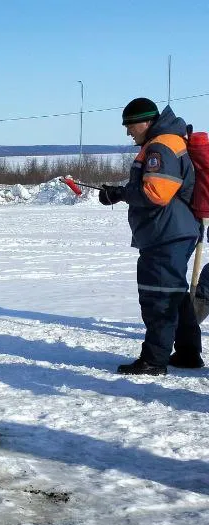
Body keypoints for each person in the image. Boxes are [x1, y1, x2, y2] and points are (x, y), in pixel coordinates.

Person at [98, 98, 202, 374]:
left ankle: (154, 360)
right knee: (175, 294)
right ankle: (188, 353)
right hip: (173, 231)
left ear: (146, 122)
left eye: (130, 125)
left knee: (158, 296)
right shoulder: (166, 141)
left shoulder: (161, 145)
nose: (128, 132)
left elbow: (156, 193)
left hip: (166, 233)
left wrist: (119, 194)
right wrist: (120, 192)